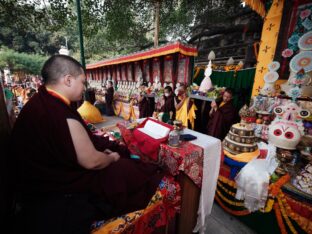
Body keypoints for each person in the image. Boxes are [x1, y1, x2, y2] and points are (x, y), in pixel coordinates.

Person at [9, 55, 164, 234]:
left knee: (122, 159)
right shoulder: (58, 112)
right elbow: (92, 162)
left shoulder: (42, 101)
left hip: (36, 182)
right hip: (56, 191)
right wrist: (110, 157)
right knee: (127, 171)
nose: (84, 88)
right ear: (68, 80)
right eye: (82, 82)